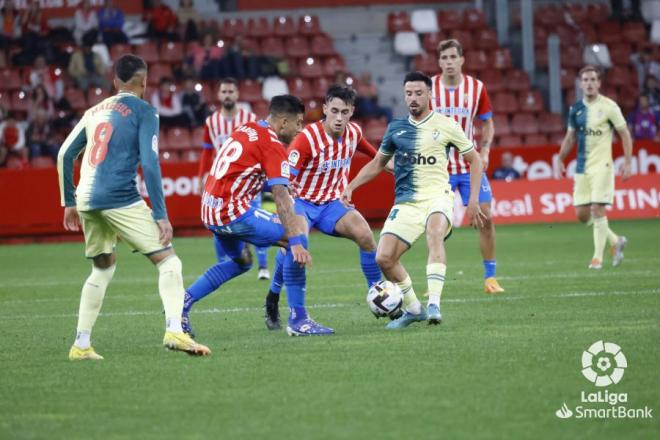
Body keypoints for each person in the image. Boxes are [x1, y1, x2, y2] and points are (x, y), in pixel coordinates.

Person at [56, 54, 210, 360]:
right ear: (145, 81)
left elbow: (63, 155)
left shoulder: (93, 111)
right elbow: (150, 165)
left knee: (102, 268)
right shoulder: (144, 110)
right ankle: (175, 330)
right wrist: (161, 215)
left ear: (115, 82)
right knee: (169, 262)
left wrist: (69, 202)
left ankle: (81, 345)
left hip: (86, 198)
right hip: (118, 196)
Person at [342, 71, 485, 329]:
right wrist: (351, 186)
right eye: (409, 93)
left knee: (434, 234)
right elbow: (378, 164)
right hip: (406, 202)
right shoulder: (396, 128)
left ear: (430, 95)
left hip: (438, 197)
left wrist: (472, 199)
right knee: (383, 258)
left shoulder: (447, 124)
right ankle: (415, 308)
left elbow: (475, 159)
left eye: (419, 93)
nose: (413, 98)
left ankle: (434, 304)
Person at [183, 95, 334, 337]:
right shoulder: (272, 144)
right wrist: (294, 242)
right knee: (296, 234)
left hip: (209, 209)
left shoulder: (248, 128)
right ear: (284, 122)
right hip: (231, 210)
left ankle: (182, 304)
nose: (300, 129)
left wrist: (267, 186)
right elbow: (281, 198)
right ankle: (299, 320)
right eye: (298, 123)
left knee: (242, 261)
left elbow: (239, 171)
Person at [262, 84, 381, 330]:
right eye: (334, 111)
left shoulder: (354, 133)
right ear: (325, 109)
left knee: (366, 235)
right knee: (295, 245)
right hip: (302, 203)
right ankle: (280, 301)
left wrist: (400, 168)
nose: (339, 118)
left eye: (344, 112)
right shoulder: (305, 140)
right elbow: (284, 180)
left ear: (352, 112)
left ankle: (379, 295)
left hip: (331, 205)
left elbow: (378, 158)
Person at [430, 39, 504, 294]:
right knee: (436, 226)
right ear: (439, 62)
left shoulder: (476, 88)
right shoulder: (429, 88)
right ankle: (434, 281)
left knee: (485, 217)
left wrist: (485, 148)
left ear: (462, 59)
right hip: (439, 169)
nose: (449, 62)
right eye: (444, 58)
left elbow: (488, 122)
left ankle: (490, 278)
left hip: (470, 165)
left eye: (453, 57)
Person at [558, 65, 633, 269]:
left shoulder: (610, 106)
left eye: (593, 80)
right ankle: (616, 241)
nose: (589, 83)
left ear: (599, 83)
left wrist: (627, 162)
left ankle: (597, 259)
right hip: (582, 167)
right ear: (581, 84)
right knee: (582, 215)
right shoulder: (576, 109)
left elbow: (624, 133)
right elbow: (570, 137)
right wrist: (560, 158)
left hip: (603, 165)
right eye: (586, 80)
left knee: (597, 209)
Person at [195, 78, 269, 280]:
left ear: (237, 94)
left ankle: (263, 266)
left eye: (231, 91)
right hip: (222, 184)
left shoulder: (249, 118)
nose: (227, 95)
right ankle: (223, 265)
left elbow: (260, 147)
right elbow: (207, 151)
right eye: (224, 91)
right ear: (219, 95)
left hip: (247, 181)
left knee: (256, 218)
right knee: (218, 223)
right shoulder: (212, 122)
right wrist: (202, 176)